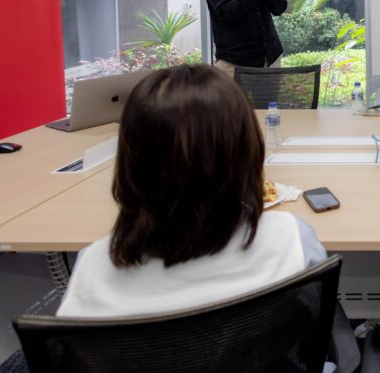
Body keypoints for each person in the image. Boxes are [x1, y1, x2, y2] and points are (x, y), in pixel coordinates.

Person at [58, 64, 327, 317]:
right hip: (264, 366)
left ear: (130, 165)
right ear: (247, 151)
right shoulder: (290, 240)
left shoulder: (92, 271)